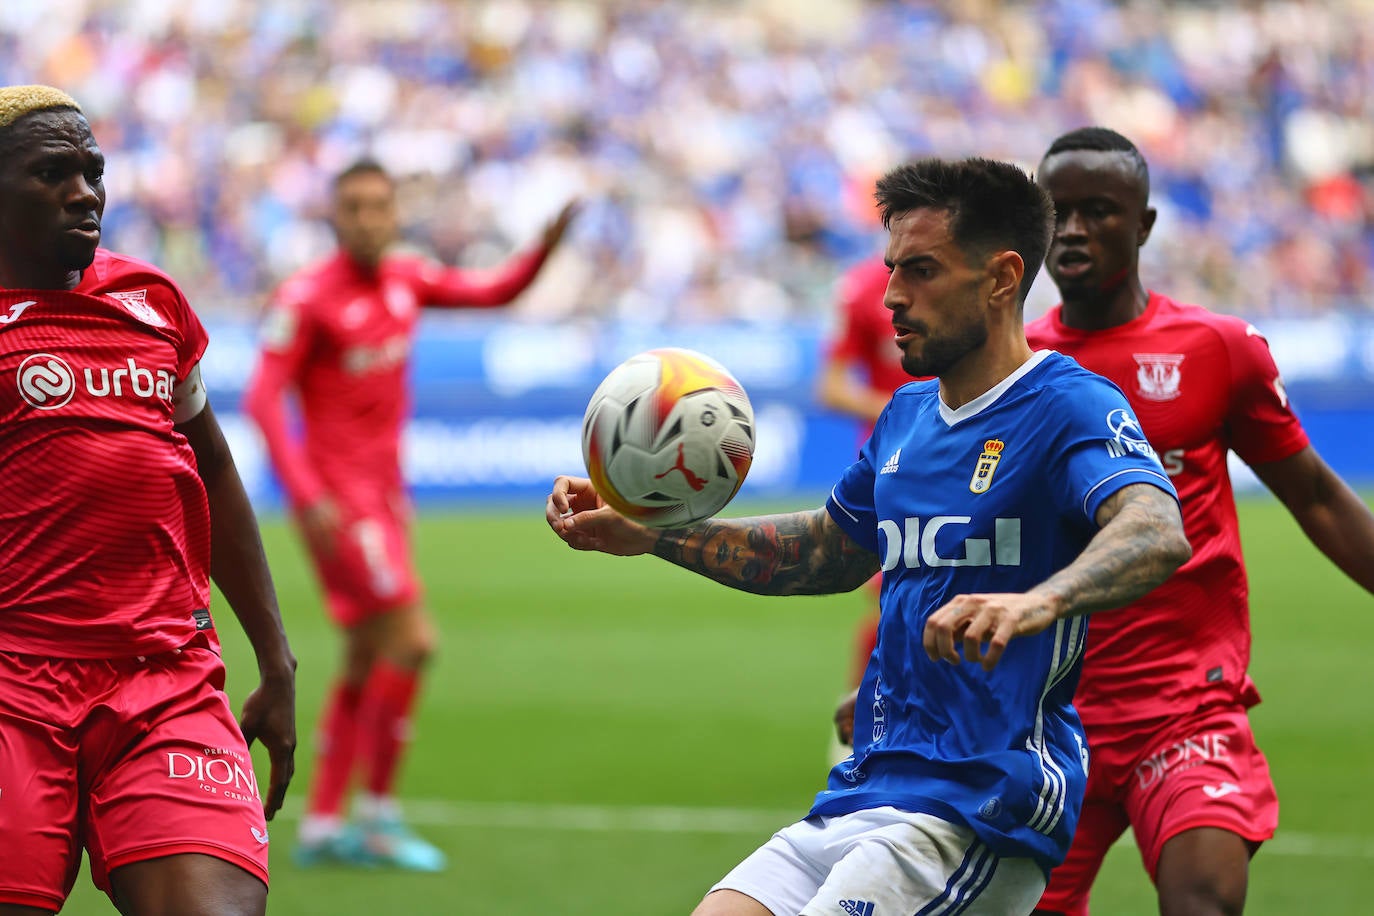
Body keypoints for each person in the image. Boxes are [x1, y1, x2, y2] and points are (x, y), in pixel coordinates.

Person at [547, 156, 1192, 915]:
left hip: (976, 806)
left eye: (920, 271)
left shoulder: (1069, 404)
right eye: (891, 269)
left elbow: (1155, 529)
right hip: (864, 790)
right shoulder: (908, 416)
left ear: (1001, 277)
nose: (891, 297)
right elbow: (823, 550)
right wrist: (653, 532)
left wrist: (1033, 604)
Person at [1025, 127, 1374, 915]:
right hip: (1048, 716)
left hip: (1187, 707)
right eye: (1058, 211)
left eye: (1100, 211)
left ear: (1144, 225)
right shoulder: (1014, 370)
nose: (1075, 229)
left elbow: (1315, 495)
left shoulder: (1217, 350)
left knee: (1203, 900)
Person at [0, 85, 296, 916]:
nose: (85, 191)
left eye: (92, 170)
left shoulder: (153, 302)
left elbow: (213, 469)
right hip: (12, 685)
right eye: (51, 172)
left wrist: (274, 657)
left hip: (164, 684)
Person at [242, 158, 578, 871]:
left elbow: (494, 291)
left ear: (395, 214)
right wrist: (307, 496)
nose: (367, 219)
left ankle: (324, 822)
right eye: (353, 207)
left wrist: (543, 250)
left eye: (379, 206)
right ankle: (379, 814)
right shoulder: (306, 299)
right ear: (333, 218)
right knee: (414, 640)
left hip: (388, 500)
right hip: (339, 504)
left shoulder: (405, 277)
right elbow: (263, 402)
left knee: (366, 655)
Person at [814, 254, 909, 693]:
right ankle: (861, 712)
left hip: (972, 454)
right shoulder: (861, 288)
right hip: (892, 465)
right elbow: (830, 387)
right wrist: (910, 411)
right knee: (896, 600)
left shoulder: (970, 271)